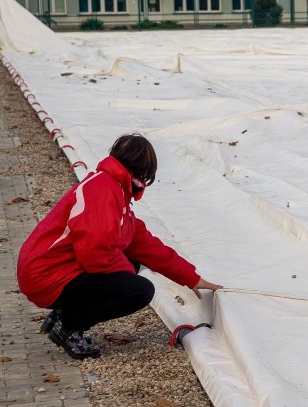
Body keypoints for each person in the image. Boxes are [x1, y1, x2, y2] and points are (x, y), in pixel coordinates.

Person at [16, 133, 222, 359]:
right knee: (140, 291)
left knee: (132, 263)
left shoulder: (114, 188)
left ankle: (65, 313)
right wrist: (125, 283)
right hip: (45, 276)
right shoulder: (103, 191)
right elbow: (94, 253)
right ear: (142, 171)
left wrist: (190, 278)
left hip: (47, 268)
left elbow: (144, 244)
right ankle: (68, 328)